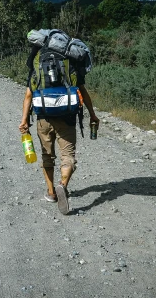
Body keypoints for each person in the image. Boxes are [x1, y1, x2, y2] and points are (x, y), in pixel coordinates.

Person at [18, 42, 98, 215]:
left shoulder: (38, 65)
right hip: (67, 117)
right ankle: (63, 185)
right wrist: (92, 114)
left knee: (48, 156)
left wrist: (24, 120)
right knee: (68, 156)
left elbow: (28, 95)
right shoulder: (70, 65)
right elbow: (83, 92)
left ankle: (52, 192)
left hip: (43, 119)